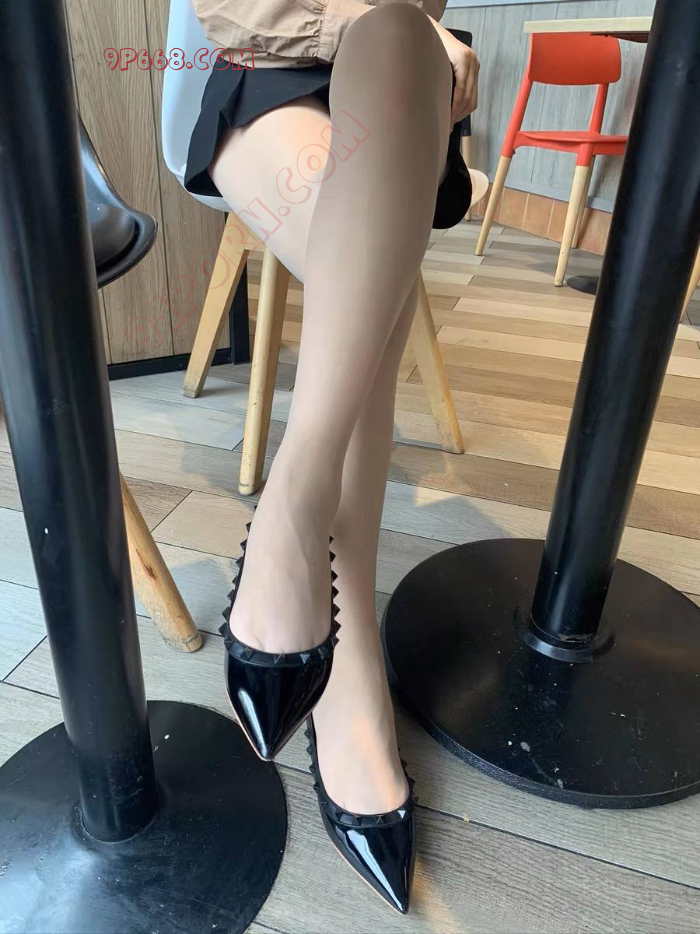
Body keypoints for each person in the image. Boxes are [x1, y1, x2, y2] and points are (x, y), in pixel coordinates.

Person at [186, 0, 483, 913]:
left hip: (405, 107)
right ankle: (346, 669)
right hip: (264, 80)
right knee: (373, 285)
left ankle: (294, 511)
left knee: (400, 40)